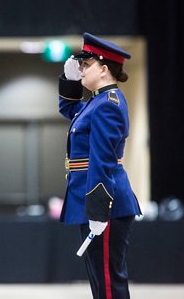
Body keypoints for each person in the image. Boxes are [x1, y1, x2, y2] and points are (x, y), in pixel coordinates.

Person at [58, 32, 142, 299]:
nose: (81, 70)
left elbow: (102, 161)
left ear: (104, 69)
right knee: (100, 281)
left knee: (108, 281)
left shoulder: (108, 105)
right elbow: (70, 112)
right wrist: (69, 82)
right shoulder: (97, 102)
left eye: (86, 65)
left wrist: (98, 209)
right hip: (95, 202)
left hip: (106, 204)